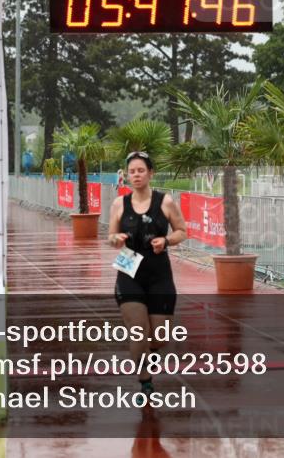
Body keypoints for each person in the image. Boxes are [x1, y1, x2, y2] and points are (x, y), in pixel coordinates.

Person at [108, 151, 187, 394]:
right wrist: (117, 239)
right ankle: (145, 379)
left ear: (150, 173)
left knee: (159, 337)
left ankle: (151, 353)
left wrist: (166, 240)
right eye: (132, 171)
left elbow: (182, 231)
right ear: (127, 175)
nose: (136, 175)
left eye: (141, 170)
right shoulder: (119, 203)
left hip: (159, 273)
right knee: (138, 331)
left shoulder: (165, 202)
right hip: (129, 268)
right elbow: (110, 237)